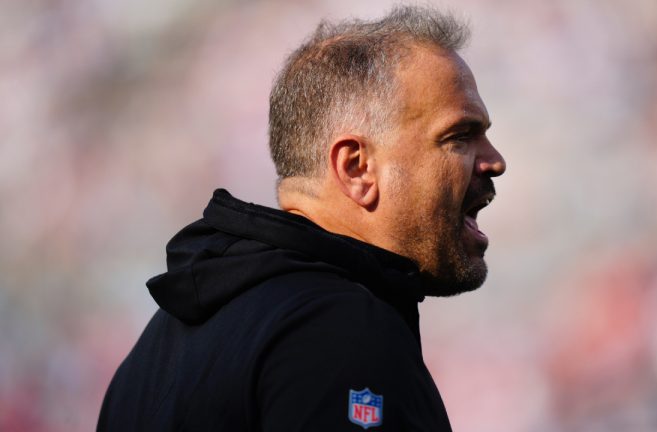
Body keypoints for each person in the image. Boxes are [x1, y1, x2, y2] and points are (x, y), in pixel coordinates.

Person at [97, 5, 505, 431]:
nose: (495, 161)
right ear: (356, 168)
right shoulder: (340, 330)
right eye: (459, 136)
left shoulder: (156, 349)